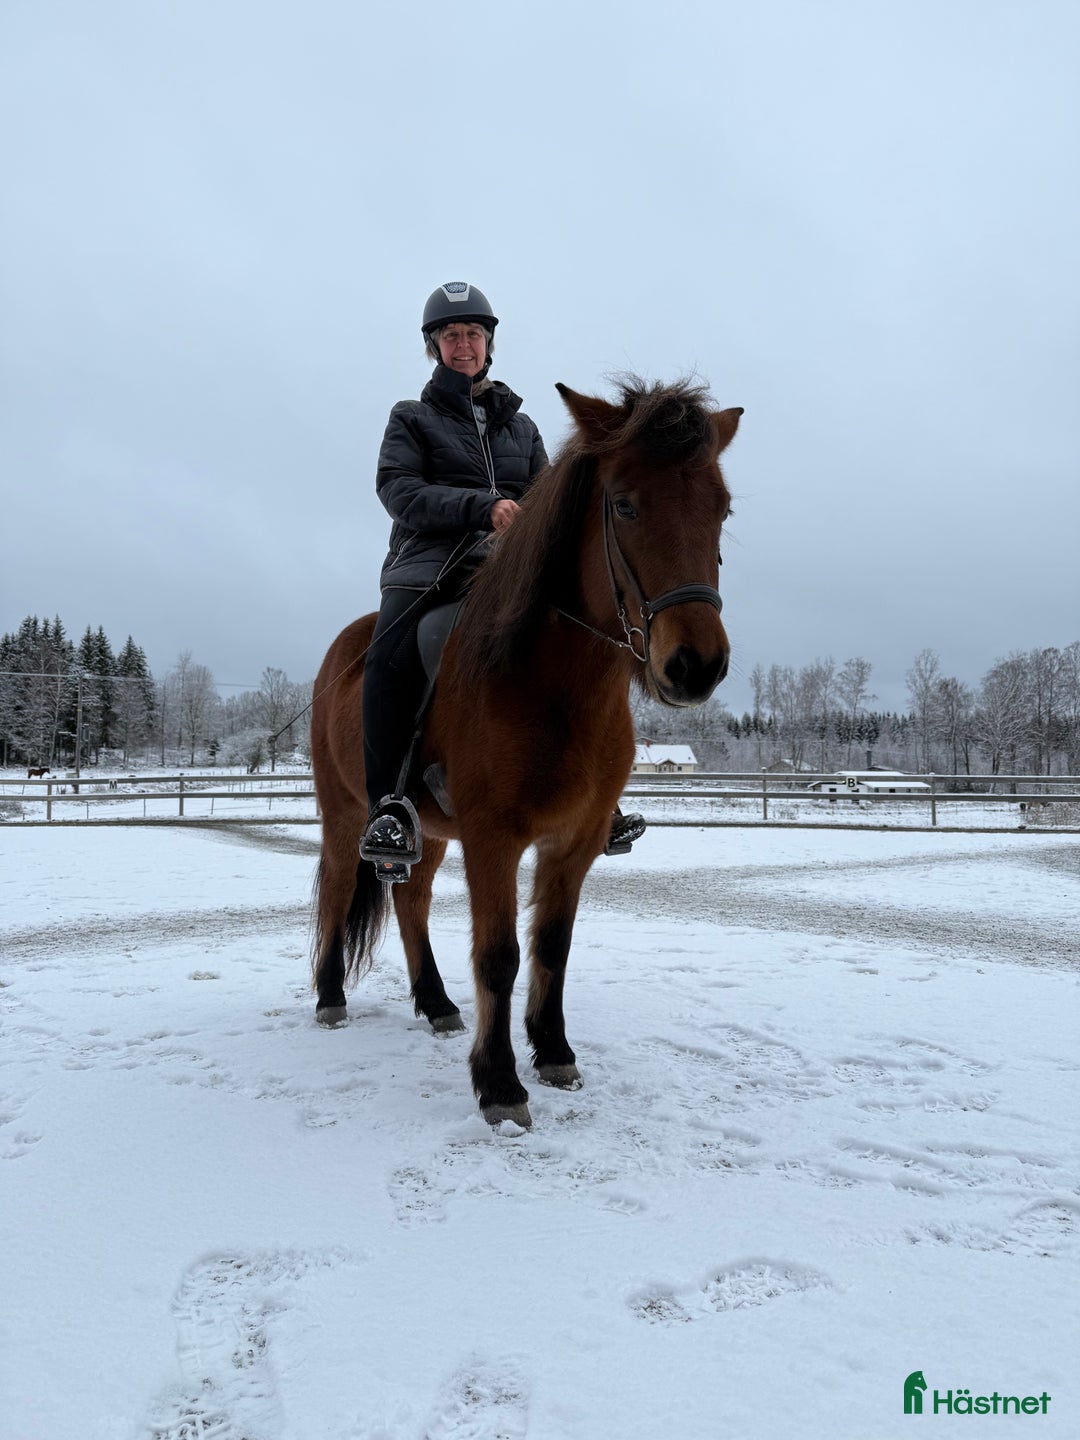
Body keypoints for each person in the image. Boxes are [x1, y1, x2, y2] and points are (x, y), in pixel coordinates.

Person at [360, 281, 645, 878]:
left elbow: (552, 499)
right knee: (390, 655)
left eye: (473, 335)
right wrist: (482, 508)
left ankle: (598, 789)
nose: (463, 345)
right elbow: (399, 490)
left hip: (510, 569)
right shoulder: (410, 418)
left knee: (582, 638)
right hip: (429, 568)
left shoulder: (523, 427)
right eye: (450, 336)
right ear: (433, 347)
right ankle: (390, 805)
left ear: (489, 344)